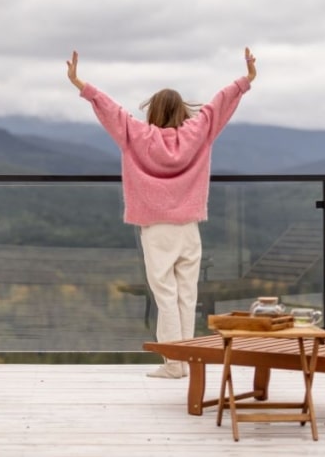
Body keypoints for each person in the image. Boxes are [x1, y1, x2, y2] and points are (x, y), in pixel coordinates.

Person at [66, 47, 257, 378]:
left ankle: (174, 363)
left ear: (153, 110)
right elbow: (218, 105)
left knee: (165, 296)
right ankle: (187, 360)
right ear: (182, 111)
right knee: (188, 295)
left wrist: (80, 84)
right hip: (189, 227)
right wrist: (246, 79)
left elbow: (112, 110)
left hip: (156, 228)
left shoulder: (136, 135)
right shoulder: (199, 133)